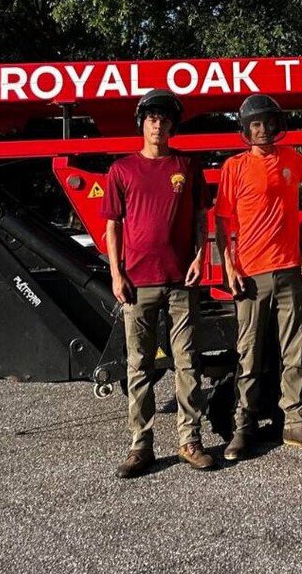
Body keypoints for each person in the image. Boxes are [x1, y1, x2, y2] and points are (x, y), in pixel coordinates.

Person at [102, 89, 214, 478]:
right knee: (139, 365)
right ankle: (140, 446)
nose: (158, 124)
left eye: (165, 119)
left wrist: (201, 256)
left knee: (187, 362)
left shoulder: (187, 165)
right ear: (142, 123)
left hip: (181, 279)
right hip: (137, 282)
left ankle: (190, 440)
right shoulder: (121, 170)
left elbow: (201, 217)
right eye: (152, 118)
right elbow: (112, 226)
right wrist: (116, 273)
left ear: (171, 126)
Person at [215, 94, 302, 460]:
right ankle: (243, 426)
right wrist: (229, 267)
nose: (262, 130)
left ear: (277, 126)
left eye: (267, 123)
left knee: (294, 351)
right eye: (255, 125)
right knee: (248, 354)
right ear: (246, 131)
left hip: (289, 271)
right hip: (250, 275)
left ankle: (295, 422)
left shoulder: (292, 159)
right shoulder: (234, 167)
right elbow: (222, 221)